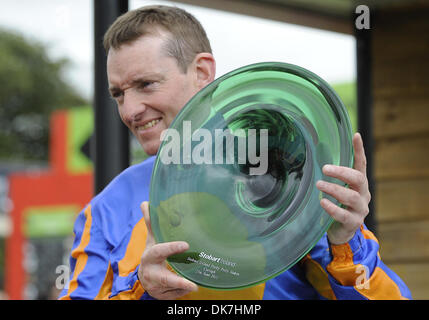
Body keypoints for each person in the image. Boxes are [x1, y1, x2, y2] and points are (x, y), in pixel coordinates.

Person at [59, 5, 411, 300]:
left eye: (146, 84)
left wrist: (344, 243)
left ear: (201, 72)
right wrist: (142, 290)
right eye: (118, 93)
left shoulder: (290, 180)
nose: (130, 110)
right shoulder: (104, 211)